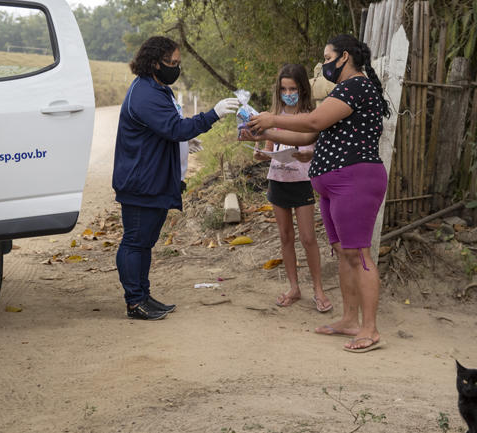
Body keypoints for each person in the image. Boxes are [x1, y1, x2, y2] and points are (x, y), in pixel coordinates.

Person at [245, 35, 391, 352]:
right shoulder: (343, 91)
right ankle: (349, 320)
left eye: (327, 57)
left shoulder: (356, 86)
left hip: (355, 179)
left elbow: (313, 119)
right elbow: (311, 132)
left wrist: (272, 118)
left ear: (345, 57)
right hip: (334, 183)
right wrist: (261, 132)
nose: (323, 64)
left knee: (359, 254)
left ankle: (370, 328)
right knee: (343, 253)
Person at [113, 36, 239, 320]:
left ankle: (143, 295)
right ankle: (134, 302)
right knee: (134, 241)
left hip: (153, 179)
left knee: (145, 241)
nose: (176, 68)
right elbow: (173, 128)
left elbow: (166, 131)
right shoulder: (145, 93)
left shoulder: (157, 88)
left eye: (178, 63)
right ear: (154, 62)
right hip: (140, 182)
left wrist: (184, 142)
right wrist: (212, 115)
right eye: (172, 63)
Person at [253, 64, 332, 312]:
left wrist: (311, 157)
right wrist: (261, 155)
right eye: (284, 88)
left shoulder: (311, 117)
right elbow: (267, 149)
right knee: (286, 236)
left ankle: (318, 290)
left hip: (303, 183)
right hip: (278, 180)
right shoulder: (272, 117)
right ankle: (293, 287)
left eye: (293, 88)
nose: (288, 93)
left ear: (303, 89)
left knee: (308, 238)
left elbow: (321, 151)